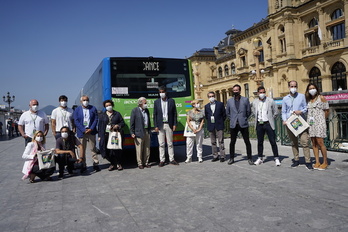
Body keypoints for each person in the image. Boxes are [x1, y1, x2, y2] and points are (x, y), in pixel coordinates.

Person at [282, 80, 313, 169]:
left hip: (300, 122)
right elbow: (283, 111)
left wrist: (301, 111)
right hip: (290, 122)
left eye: (295, 86)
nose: (293, 88)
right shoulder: (285, 99)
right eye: (291, 86)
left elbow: (305, 107)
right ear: (289, 87)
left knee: (304, 142)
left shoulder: (301, 96)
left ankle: (308, 161)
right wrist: (284, 120)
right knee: (293, 142)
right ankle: (296, 159)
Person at [252, 86, 281, 166]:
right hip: (259, 124)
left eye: (263, 92)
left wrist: (271, 118)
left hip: (268, 123)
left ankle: (276, 157)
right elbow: (254, 111)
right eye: (260, 92)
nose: (262, 94)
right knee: (260, 142)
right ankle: (260, 157)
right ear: (257, 93)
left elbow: (276, 111)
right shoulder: (255, 102)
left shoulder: (270, 101)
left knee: (272, 141)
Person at [226, 84, 253, 165]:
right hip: (234, 124)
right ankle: (231, 158)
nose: (235, 92)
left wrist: (243, 118)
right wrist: (233, 118)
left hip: (243, 123)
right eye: (234, 90)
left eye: (236, 90)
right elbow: (227, 112)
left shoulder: (245, 100)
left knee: (247, 142)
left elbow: (249, 111)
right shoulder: (229, 101)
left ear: (240, 91)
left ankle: (250, 158)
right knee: (232, 142)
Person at [305, 83, 330, 170]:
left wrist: (322, 119)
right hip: (311, 124)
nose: (312, 90)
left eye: (313, 88)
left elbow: (327, 110)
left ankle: (325, 162)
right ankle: (317, 161)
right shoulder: (308, 100)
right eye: (310, 88)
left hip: (319, 123)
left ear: (316, 89)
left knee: (320, 142)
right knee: (314, 143)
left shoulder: (321, 98)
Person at [73, 95, 100, 172]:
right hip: (82, 132)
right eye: (84, 100)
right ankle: (83, 164)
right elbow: (76, 121)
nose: (86, 101)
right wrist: (83, 129)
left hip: (91, 131)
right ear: (81, 101)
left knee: (93, 148)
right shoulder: (77, 110)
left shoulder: (93, 108)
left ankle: (96, 163)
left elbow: (96, 119)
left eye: (87, 100)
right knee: (82, 149)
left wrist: (91, 128)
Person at [153, 86, 179, 166]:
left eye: (163, 92)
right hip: (160, 125)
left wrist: (175, 124)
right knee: (161, 144)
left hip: (169, 124)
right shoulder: (156, 102)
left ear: (166, 92)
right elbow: (155, 114)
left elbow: (174, 113)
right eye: (160, 92)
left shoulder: (171, 101)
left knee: (170, 143)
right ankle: (162, 160)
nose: (162, 93)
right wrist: (156, 126)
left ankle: (172, 159)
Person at [98, 99, 125, 171]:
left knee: (116, 149)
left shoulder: (117, 114)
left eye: (109, 105)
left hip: (115, 135)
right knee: (108, 150)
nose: (108, 107)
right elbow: (100, 126)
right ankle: (112, 164)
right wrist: (99, 136)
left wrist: (118, 126)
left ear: (112, 105)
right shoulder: (102, 115)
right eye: (106, 106)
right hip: (106, 135)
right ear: (104, 107)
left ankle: (119, 163)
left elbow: (122, 123)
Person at [204, 91, 226, 162]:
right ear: (208, 97)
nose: (211, 98)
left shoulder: (220, 104)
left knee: (221, 141)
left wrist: (220, 121)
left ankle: (222, 156)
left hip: (219, 124)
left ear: (215, 96)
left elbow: (224, 115)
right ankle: (215, 155)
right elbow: (207, 116)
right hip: (211, 125)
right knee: (213, 142)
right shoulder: (206, 106)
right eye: (210, 96)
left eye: (212, 96)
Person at [130, 97, 151, 169]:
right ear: (140, 103)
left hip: (146, 131)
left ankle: (146, 162)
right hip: (138, 132)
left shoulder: (147, 111)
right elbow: (132, 122)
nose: (146, 104)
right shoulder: (135, 111)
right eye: (145, 103)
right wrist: (132, 132)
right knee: (139, 149)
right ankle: (140, 163)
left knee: (147, 148)